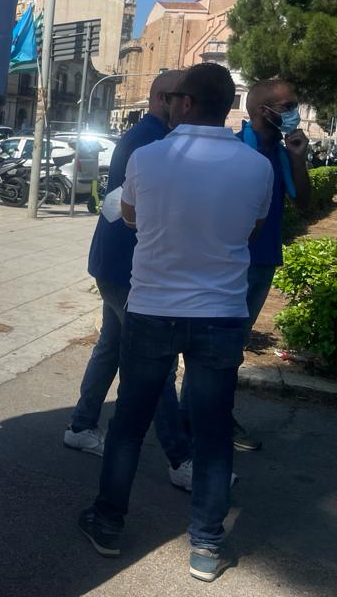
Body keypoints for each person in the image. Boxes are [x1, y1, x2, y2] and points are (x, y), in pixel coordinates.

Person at [78, 63, 273, 583]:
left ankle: (108, 525)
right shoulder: (256, 166)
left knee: (128, 425)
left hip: (153, 308)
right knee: (212, 431)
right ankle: (206, 546)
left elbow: (131, 217)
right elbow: (253, 228)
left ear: (184, 103)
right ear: (229, 106)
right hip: (221, 314)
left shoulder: (148, 158)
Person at [64, 71, 194, 487]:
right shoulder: (153, 141)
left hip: (117, 264)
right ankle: (181, 459)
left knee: (111, 346)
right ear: (164, 98)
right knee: (155, 362)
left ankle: (81, 425)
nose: (189, 107)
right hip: (129, 268)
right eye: (184, 99)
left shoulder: (148, 135)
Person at [228, 79, 311, 450]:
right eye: (288, 106)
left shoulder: (281, 151)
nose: (294, 112)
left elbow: (303, 203)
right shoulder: (233, 148)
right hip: (231, 264)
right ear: (264, 111)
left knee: (234, 344)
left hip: (263, 262)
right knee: (221, 345)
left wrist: (298, 159)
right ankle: (210, 418)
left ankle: (203, 413)